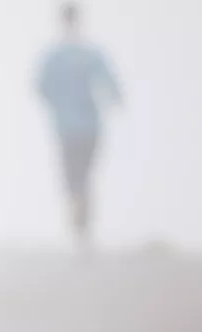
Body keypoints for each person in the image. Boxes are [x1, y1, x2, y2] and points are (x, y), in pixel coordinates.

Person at [36, 2, 122, 252]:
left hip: (69, 126)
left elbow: (40, 88)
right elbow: (112, 88)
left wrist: (58, 104)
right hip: (87, 125)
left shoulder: (56, 56)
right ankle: (82, 230)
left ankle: (80, 229)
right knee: (82, 178)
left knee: (75, 178)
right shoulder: (89, 54)